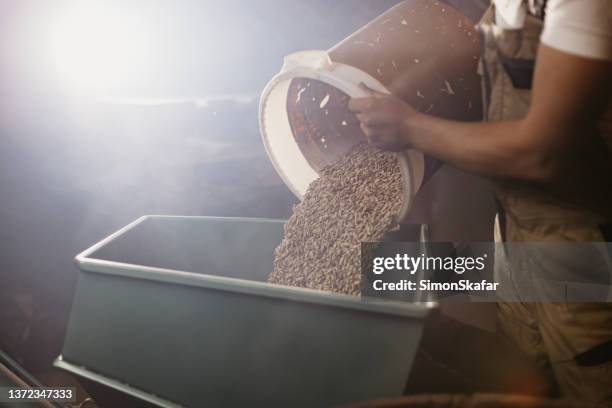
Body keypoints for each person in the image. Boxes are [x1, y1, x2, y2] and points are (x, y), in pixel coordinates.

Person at [349, 0, 612, 404]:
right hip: (513, 244)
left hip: (590, 267)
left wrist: (410, 128)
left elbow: (541, 154)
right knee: (522, 387)